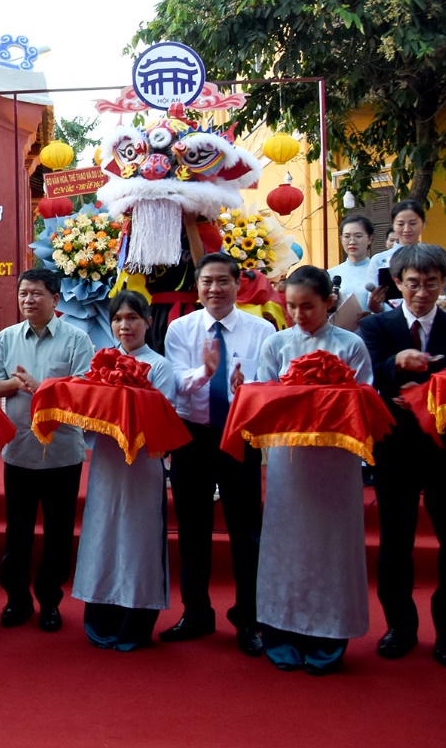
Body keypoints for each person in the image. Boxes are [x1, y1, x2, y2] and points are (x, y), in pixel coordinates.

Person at [358, 243, 446, 669]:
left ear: (442, 282)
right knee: (395, 541)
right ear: (398, 284)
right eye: (413, 284)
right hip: (396, 448)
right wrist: (396, 363)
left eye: (430, 283)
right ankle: (400, 627)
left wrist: (427, 393)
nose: (421, 292)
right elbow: (370, 376)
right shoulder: (377, 327)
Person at [251, 266, 373, 674]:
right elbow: (263, 397)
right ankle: (281, 632)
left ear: (329, 302)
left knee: (331, 551)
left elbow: (364, 402)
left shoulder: (351, 345)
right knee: (287, 548)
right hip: (290, 464)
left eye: (308, 307)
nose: (299, 315)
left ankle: (328, 637)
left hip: (336, 464)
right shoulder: (276, 345)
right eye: (292, 307)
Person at [161, 252, 275, 656]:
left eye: (223, 281)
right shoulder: (180, 329)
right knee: (193, 529)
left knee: (246, 530)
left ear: (238, 284)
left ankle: (250, 618)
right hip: (192, 437)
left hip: (238, 435)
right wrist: (206, 374)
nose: (214, 289)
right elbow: (175, 382)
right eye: (206, 282)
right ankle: (196, 613)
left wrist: (250, 389)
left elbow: (272, 381)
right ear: (197, 286)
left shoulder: (261, 329)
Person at [0, 268, 95, 633]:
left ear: (55, 298)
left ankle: (50, 601)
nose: (28, 300)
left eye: (35, 294)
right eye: (23, 294)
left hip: (63, 453)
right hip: (19, 450)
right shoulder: (6, 337)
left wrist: (42, 389)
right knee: (17, 532)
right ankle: (16, 600)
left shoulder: (77, 340)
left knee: (59, 534)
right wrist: (14, 385)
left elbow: (83, 391)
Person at [71, 291, 178, 651]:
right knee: (103, 537)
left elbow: (163, 420)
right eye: (118, 319)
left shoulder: (159, 367)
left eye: (132, 318)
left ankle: (135, 621)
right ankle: (101, 616)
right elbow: (86, 417)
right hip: (106, 466)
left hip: (142, 467)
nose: (125, 325)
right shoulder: (101, 364)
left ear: (148, 321)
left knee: (138, 540)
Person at [367, 200, 446, 311]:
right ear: (393, 225)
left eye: (412, 223)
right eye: (400, 224)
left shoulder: (437, 257)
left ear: (423, 224)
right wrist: (375, 302)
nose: (407, 229)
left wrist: (444, 303)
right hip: (392, 323)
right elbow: (374, 306)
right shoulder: (380, 260)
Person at [327, 213, 375, 313]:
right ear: (341, 239)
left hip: (372, 327)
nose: (352, 241)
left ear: (370, 239)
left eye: (358, 236)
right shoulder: (331, 274)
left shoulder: (377, 271)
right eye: (347, 236)